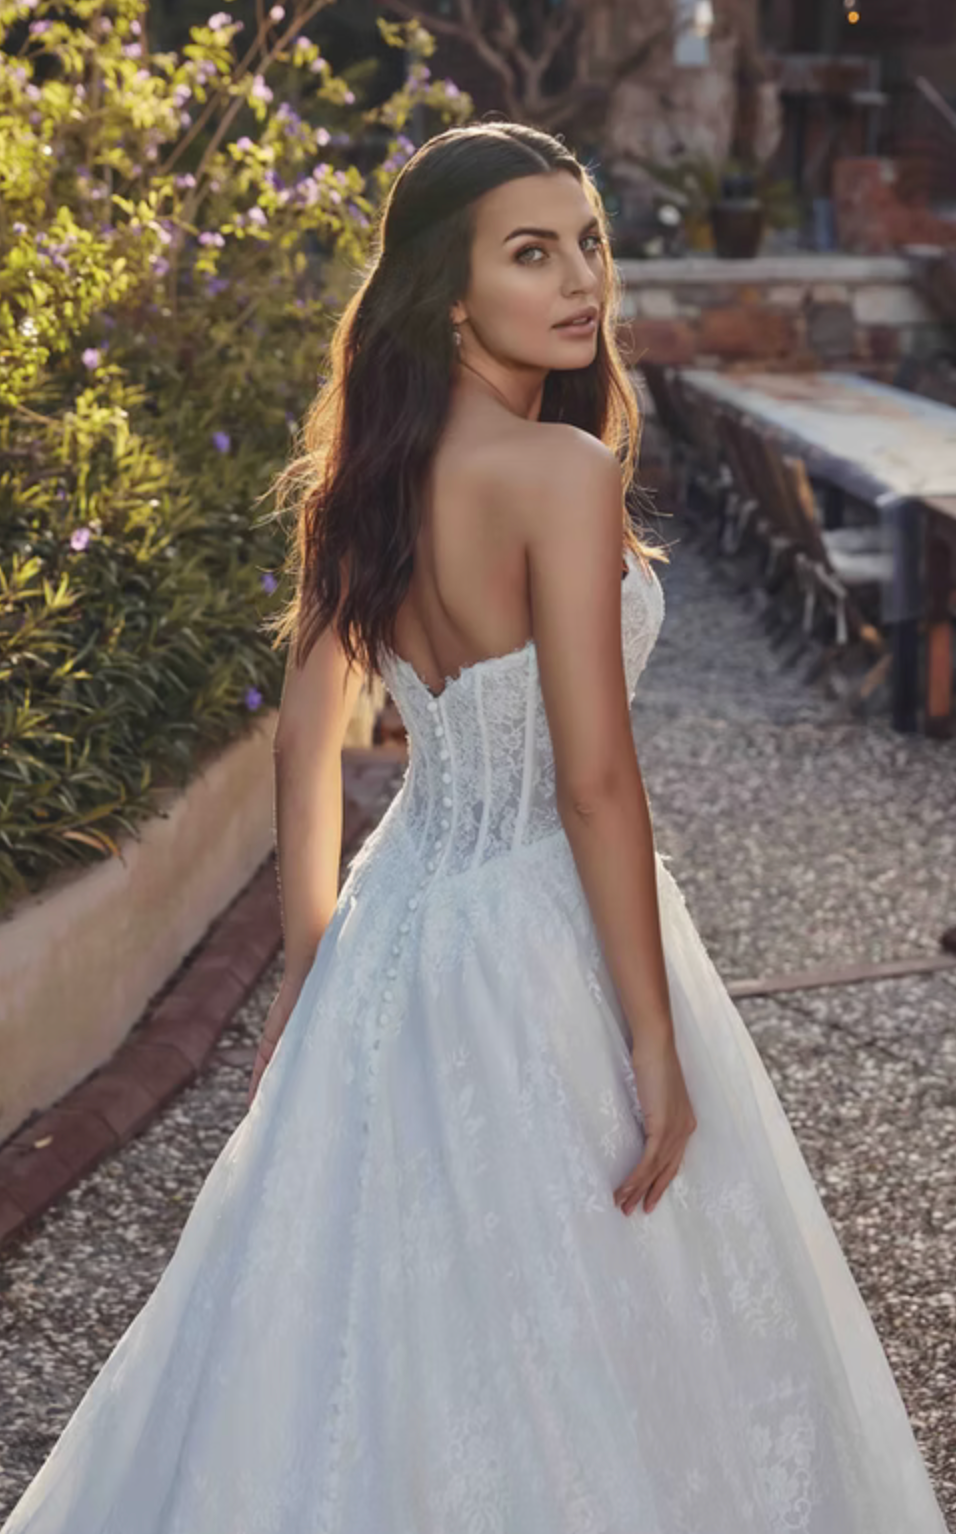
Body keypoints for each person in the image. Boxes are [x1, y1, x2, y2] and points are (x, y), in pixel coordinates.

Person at [1, 121, 948, 1534]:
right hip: (540, 923)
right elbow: (595, 784)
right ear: (450, 290)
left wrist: (314, 972)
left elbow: (307, 754)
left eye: (588, 243)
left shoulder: (359, 484)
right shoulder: (560, 473)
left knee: (360, 1320)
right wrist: (648, 1031)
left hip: (401, 924)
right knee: (605, 1315)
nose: (580, 282)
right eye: (531, 252)